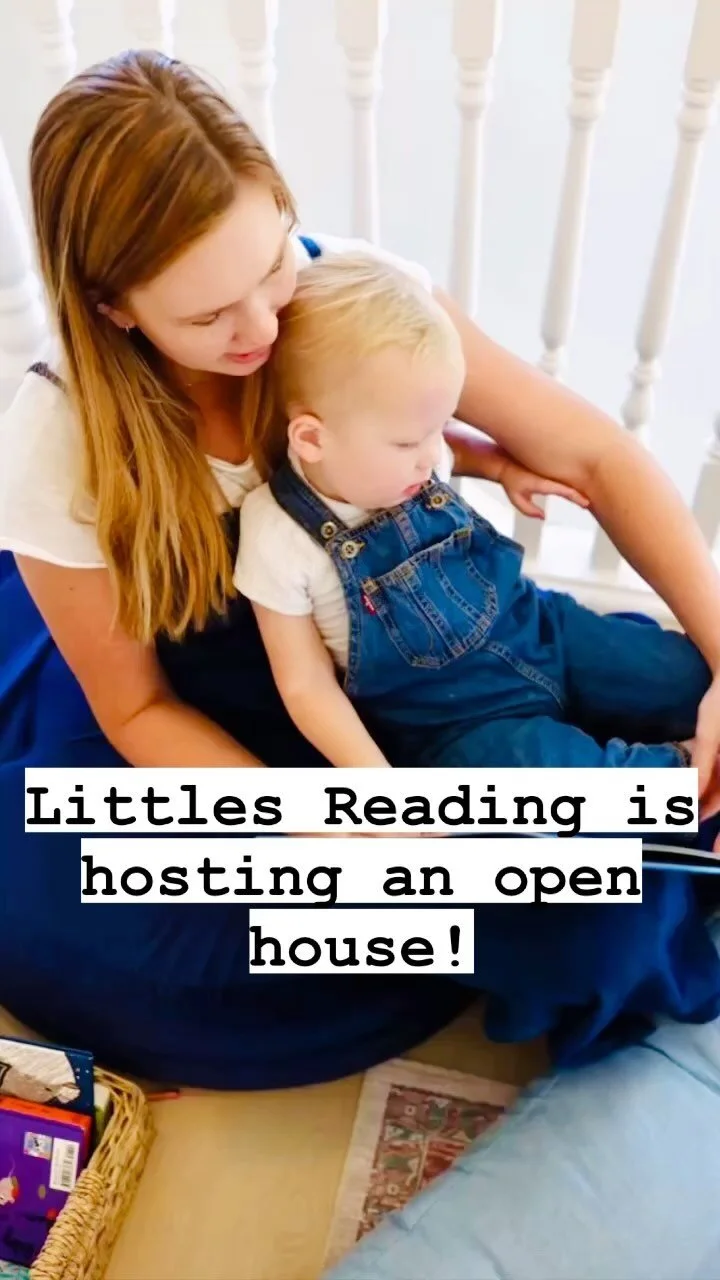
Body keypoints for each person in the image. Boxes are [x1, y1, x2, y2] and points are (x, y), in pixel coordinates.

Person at [1, 48, 720, 1087]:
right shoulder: (58, 442)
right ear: (114, 306)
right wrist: (337, 830)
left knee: (660, 711)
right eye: (207, 315)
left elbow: (594, 456)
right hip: (228, 719)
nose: (262, 327)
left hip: (424, 668)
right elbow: (141, 709)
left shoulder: (345, 295)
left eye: (270, 266)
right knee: (109, 935)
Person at [237, 252, 706, 774]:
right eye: (409, 441)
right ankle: (683, 777)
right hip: (457, 724)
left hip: (542, 631)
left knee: (679, 673)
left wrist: (501, 468)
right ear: (312, 439)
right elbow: (305, 686)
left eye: (439, 428)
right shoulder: (276, 533)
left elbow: (450, 451)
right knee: (544, 771)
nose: (431, 455)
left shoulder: (412, 455)